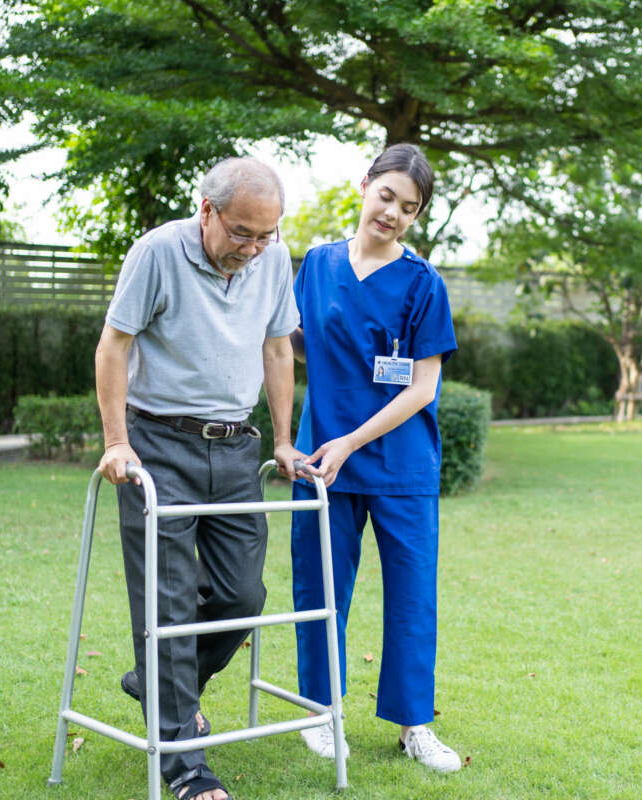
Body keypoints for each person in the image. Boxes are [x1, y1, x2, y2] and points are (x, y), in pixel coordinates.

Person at [95, 157, 306, 800]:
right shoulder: (157, 252)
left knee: (244, 595)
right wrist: (116, 442)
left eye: (265, 235)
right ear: (208, 211)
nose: (254, 248)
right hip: (157, 445)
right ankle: (186, 766)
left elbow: (276, 349)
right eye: (242, 232)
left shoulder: (272, 257)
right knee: (166, 597)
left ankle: (155, 682)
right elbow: (114, 346)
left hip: (235, 449)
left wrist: (284, 440)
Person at [289, 143, 462, 773]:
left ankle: (416, 725)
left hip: (398, 465)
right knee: (319, 588)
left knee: (412, 595)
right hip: (320, 462)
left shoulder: (423, 284)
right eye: (387, 195)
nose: (392, 213)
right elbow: (301, 347)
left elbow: (422, 387)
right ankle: (319, 712)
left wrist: (352, 441)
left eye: (409, 208)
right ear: (364, 185)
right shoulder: (316, 265)